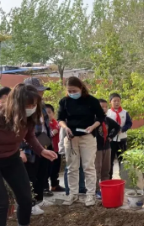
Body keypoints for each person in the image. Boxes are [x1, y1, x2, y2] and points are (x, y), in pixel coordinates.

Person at [0, 84, 57, 226]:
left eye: (34, 104)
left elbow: (29, 136)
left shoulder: (28, 117)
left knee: (25, 196)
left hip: (12, 158)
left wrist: (41, 151)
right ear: (17, 103)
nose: (31, 108)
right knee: (1, 203)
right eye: (28, 104)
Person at [57, 76, 105, 207]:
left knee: (88, 166)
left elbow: (101, 116)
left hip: (88, 136)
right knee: (72, 166)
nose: (72, 93)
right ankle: (73, 193)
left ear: (81, 88)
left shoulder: (91, 100)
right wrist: (65, 127)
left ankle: (90, 195)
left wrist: (93, 126)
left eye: (74, 90)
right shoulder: (64, 101)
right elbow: (60, 118)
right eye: (69, 91)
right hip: (71, 137)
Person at [21, 78, 54, 216]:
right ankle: (32, 204)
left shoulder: (42, 106)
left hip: (42, 144)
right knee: (30, 176)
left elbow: (46, 125)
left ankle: (40, 200)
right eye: (38, 91)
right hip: (29, 147)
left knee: (42, 173)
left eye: (42, 91)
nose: (41, 93)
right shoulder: (22, 109)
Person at [95, 99, 120, 199]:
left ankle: (105, 189)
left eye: (106, 107)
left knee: (106, 170)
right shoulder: (94, 119)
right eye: (102, 107)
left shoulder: (107, 119)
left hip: (107, 147)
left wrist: (110, 136)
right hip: (97, 148)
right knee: (96, 170)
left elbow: (117, 127)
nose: (104, 109)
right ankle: (96, 190)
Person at [107, 93, 132, 179]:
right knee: (109, 160)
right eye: (114, 101)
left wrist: (122, 129)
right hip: (111, 140)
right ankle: (109, 178)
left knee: (122, 159)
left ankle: (124, 177)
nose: (117, 102)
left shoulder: (125, 112)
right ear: (110, 102)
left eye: (118, 101)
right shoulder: (108, 113)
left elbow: (129, 123)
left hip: (122, 139)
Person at [59, 127, 86, 195]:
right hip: (69, 146)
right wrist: (62, 149)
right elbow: (62, 136)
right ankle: (68, 189)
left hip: (79, 146)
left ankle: (81, 188)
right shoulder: (65, 123)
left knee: (80, 167)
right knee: (69, 168)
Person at [45, 104, 65, 193]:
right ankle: (45, 187)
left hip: (57, 149)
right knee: (48, 169)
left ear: (53, 113)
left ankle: (54, 185)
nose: (48, 115)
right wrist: (52, 133)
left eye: (49, 112)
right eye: (45, 113)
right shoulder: (44, 124)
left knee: (56, 168)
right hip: (48, 150)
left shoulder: (57, 123)